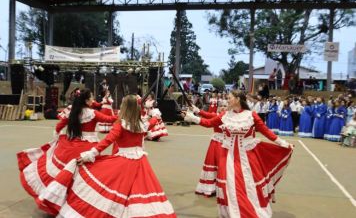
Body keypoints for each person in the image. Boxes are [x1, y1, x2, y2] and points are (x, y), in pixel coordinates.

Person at [37, 95, 176, 217]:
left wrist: (91, 153)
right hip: (141, 162)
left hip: (123, 161)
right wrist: (156, 115)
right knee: (138, 191)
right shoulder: (142, 124)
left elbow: (107, 141)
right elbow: (151, 123)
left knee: (116, 191)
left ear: (124, 107)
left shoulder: (121, 124)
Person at [183, 90, 293, 218]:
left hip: (247, 158)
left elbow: (266, 131)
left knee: (247, 185)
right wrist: (192, 117)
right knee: (229, 185)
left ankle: (249, 210)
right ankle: (233, 211)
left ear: (237, 99)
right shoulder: (225, 115)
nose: (227, 100)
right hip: (228, 156)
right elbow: (209, 123)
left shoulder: (251, 115)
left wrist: (282, 143)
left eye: (229, 98)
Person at [17, 88, 118, 213]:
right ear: (86, 101)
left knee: (65, 175)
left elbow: (59, 125)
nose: (93, 100)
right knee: (85, 177)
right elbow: (109, 119)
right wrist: (124, 116)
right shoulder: (93, 113)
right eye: (91, 98)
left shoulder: (73, 111)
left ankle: (58, 199)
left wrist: (56, 137)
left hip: (71, 145)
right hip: (88, 147)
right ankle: (76, 202)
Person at [189, 103, 226, 197]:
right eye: (222, 105)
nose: (222, 107)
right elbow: (207, 115)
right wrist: (197, 110)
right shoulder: (218, 115)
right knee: (214, 164)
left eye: (225, 106)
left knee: (222, 165)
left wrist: (193, 117)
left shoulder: (226, 117)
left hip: (224, 144)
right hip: (216, 143)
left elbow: (208, 123)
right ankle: (213, 187)